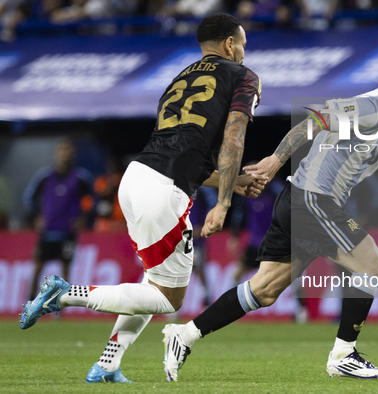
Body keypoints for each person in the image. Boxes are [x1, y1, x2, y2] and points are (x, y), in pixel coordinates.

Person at [161, 51, 378, 381]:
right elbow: (314, 122)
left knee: (263, 291)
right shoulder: (372, 107)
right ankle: (344, 354)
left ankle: (185, 334)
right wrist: (275, 160)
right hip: (313, 199)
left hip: (301, 201)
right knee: (374, 264)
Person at [19, 13, 266, 384]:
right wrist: (226, 202)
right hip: (163, 192)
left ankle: (107, 364)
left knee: (152, 285)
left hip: (137, 178)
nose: (244, 52)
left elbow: (185, 156)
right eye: (242, 44)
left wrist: (233, 181)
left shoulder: (179, 78)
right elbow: (234, 138)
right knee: (170, 299)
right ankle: (65, 294)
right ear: (231, 44)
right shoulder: (242, 76)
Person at [23, 139, 94, 301]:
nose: (65, 154)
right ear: (57, 154)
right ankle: (29, 302)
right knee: (37, 268)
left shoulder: (81, 178)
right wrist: (36, 217)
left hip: (67, 232)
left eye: (68, 150)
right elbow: (29, 198)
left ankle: (61, 308)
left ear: (73, 154)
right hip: (47, 231)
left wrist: (83, 218)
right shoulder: (46, 177)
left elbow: (91, 200)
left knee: (66, 271)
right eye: (62, 150)